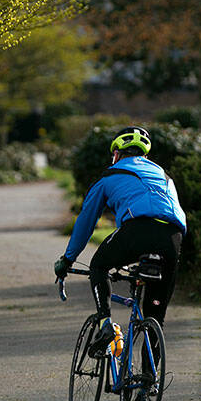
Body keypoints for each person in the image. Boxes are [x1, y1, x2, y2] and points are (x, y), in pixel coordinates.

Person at [54, 126, 187, 353]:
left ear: (117, 154)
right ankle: (150, 382)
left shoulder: (110, 175)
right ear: (144, 155)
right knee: (156, 316)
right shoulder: (164, 175)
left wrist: (68, 259)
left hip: (138, 229)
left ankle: (106, 324)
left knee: (99, 265)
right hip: (172, 238)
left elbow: (86, 222)